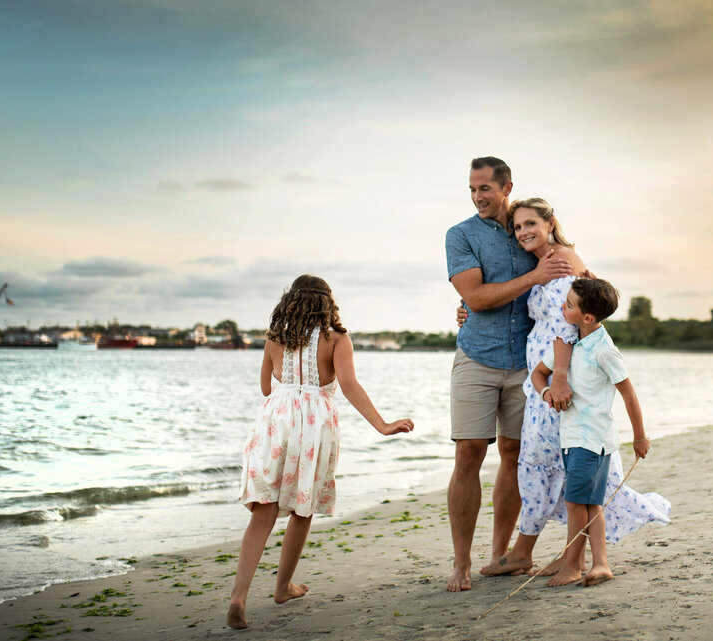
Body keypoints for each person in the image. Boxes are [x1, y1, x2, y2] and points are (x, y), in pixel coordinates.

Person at [478, 199, 669, 578]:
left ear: (550, 224)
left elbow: (570, 324)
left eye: (530, 223)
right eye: (517, 227)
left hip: (556, 379)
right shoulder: (550, 261)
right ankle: (547, 552)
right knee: (548, 462)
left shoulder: (562, 259)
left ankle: (559, 556)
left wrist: (560, 376)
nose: (523, 232)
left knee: (558, 462)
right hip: (543, 378)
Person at [227, 275, 414, 629]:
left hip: (276, 421)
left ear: (290, 301)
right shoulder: (336, 339)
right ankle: (283, 587)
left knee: (263, 512)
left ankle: (239, 595)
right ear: (327, 303)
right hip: (314, 425)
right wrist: (383, 425)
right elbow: (349, 385)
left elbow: (266, 387)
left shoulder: (273, 338)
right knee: (303, 506)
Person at [443, 157, 574, 592]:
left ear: (506, 187)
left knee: (516, 454)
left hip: (529, 365)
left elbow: (574, 282)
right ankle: (461, 564)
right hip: (477, 357)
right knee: (468, 454)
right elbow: (476, 298)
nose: (479, 197)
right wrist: (528, 279)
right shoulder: (461, 235)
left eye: (485, 188)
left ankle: (503, 555)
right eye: (472, 190)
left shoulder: (529, 226)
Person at [531, 277, 650, 587]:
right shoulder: (569, 341)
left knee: (576, 502)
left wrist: (639, 436)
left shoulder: (605, 351)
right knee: (590, 503)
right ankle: (600, 564)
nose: (562, 307)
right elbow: (537, 375)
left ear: (587, 318)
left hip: (592, 440)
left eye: (568, 305)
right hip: (571, 438)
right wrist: (548, 394)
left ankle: (572, 564)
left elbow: (629, 394)